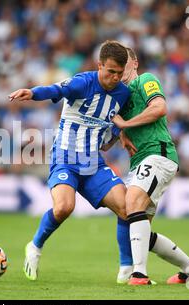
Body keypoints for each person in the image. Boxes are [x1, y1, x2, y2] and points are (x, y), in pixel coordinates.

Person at [8, 40, 134, 282]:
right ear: (100, 66)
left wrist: (122, 135)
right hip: (65, 157)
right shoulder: (83, 82)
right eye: (110, 72)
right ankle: (35, 246)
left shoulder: (123, 94)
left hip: (94, 162)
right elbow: (56, 90)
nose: (115, 78)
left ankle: (126, 269)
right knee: (64, 207)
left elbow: (119, 119)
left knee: (127, 207)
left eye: (119, 73)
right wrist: (33, 93)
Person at [111, 47, 189, 285]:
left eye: (125, 61)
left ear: (135, 62)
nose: (121, 66)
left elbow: (159, 108)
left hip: (158, 154)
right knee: (138, 225)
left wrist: (125, 124)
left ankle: (139, 274)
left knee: (132, 202)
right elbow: (114, 132)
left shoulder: (146, 80)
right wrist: (119, 132)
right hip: (139, 161)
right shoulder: (119, 96)